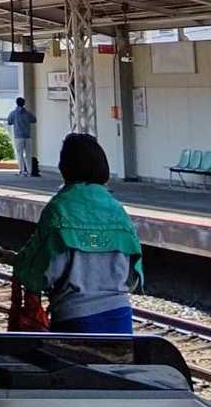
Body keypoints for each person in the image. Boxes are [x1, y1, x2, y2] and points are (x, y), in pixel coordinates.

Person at [13, 132, 143, 334]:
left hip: (74, 319)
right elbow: (132, 276)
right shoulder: (118, 211)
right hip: (120, 317)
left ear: (64, 167)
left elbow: (42, 272)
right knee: (117, 356)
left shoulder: (59, 209)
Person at [7, 96, 37, 175]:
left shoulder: (13, 113)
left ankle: (22, 170)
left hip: (18, 136)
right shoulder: (28, 113)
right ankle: (30, 171)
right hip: (28, 136)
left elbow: (9, 122)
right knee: (28, 154)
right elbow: (34, 120)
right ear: (24, 104)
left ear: (16, 103)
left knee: (19, 154)